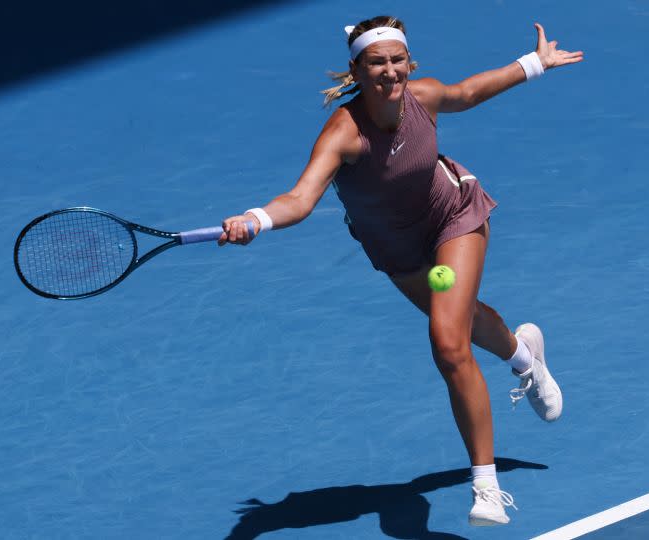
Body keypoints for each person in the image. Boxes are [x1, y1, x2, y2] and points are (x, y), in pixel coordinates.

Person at [219, 15, 583, 527]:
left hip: (452, 217)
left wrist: (534, 64)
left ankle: (486, 487)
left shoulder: (424, 97)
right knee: (469, 323)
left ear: (409, 63)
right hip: (396, 248)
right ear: (357, 70)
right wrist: (255, 219)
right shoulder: (343, 133)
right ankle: (527, 358)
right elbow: (300, 200)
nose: (389, 72)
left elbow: (469, 91)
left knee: (448, 342)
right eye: (377, 63)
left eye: (397, 61)